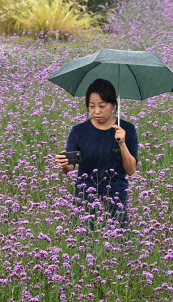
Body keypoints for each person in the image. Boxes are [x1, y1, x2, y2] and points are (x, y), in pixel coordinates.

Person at [55, 78, 138, 230]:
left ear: (114, 105)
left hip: (116, 197)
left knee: (119, 246)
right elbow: (69, 168)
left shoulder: (127, 129)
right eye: (91, 106)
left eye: (102, 106)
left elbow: (131, 170)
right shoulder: (78, 131)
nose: (96, 111)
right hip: (85, 198)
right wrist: (64, 163)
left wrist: (122, 143)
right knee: (85, 245)